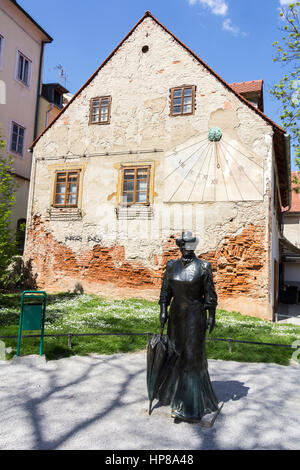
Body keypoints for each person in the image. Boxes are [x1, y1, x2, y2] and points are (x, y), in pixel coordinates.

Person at [157, 231, 219, 422]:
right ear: (179, 247)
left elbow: (210, 295)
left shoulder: (203, 267)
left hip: (195, 315)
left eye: (189, 245)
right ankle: (173, 396)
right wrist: (163, 310)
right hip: (176, 316)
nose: (186, 248)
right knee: (175, 354)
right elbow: (165, 291)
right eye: (183, 245)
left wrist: (211, 316)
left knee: (192, 358)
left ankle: (191, 406)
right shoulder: (171, 266)